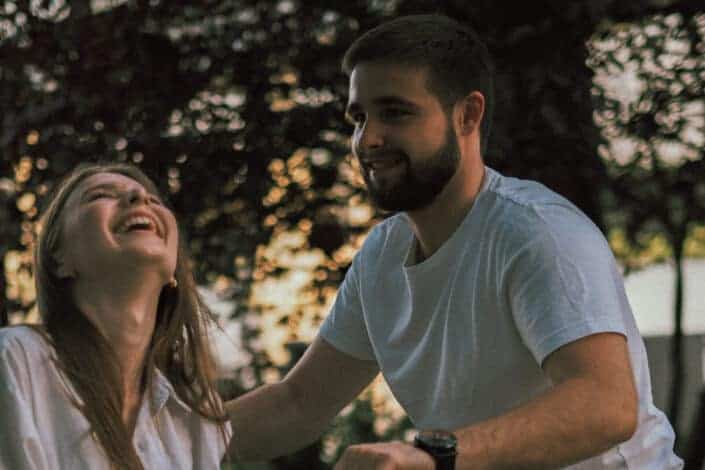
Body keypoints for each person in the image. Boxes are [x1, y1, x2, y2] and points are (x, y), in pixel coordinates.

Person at [225, 13, 683, 469]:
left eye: (395, 112)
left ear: (467, 115)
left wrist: (428, 457)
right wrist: (162, 439)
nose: (368, 139)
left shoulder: (537, 233)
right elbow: (299, 402)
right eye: (359, 117)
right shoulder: (381, 256)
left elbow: (605, 405)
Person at [0, 162, 231, 470]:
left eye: (154, 200)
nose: (139, 196)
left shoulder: (195, 418)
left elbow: (296, 401)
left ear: (173, 269)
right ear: (59, 260)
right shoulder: (14, 361)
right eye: (99, 195)